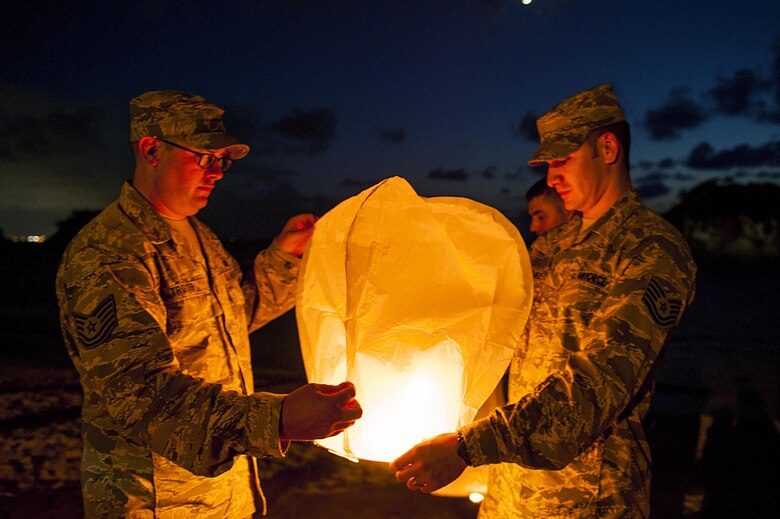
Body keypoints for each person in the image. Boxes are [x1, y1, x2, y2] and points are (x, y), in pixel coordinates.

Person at [391, 84, 696, 518]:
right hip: (510, 489)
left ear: (607, 148)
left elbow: (599, 381)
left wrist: (468, 446)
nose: (551, 178)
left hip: (588, 496)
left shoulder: (651, 248)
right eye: (548, 164)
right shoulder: (549, 248)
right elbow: (489, 331)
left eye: (562, 160)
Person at [56, 90, 362, 518]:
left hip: (221, 490)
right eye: (205, 157)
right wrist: (277, 419)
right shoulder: (110, 252)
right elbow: (137, 391)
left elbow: (233, 316)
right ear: (151, 149)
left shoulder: (199, 236)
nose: (218, 172)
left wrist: (284, 258)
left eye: (224, 160)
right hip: (156, 497)